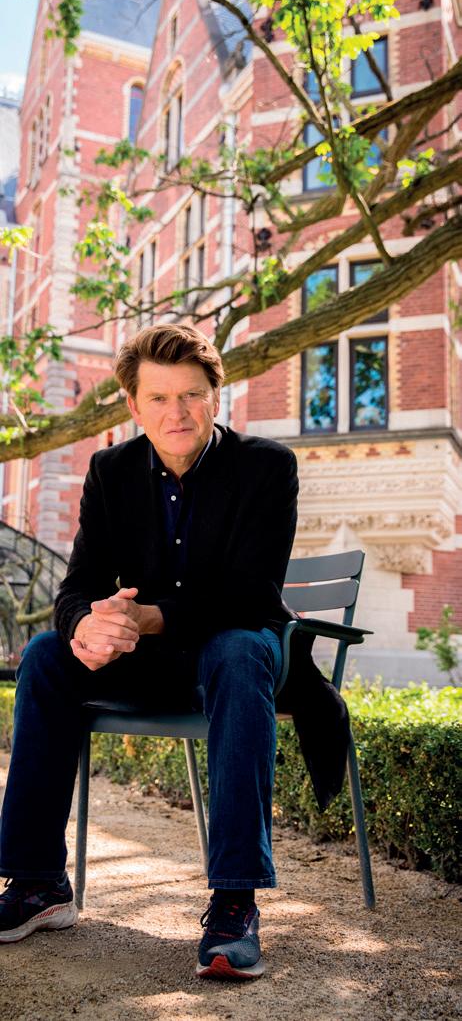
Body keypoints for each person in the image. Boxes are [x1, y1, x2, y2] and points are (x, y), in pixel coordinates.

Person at [0, 323, 349, 979]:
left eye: (191, 394)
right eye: (158, 398)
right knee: (47, 654)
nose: (177, 412)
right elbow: (77, 585)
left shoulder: (268, 466)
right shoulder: (110, 471)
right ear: (134, 406)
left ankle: (235, 902)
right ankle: (38, 883)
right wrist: (88, 626)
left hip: (243, 650)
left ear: (216, 396)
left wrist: (149, 618)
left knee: (237, 650)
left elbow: (251, 592)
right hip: (151, 660)